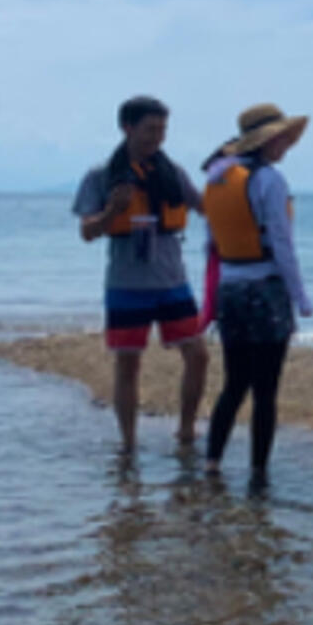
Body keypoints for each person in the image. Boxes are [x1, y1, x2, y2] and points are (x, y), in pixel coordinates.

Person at [72, 96, 211, 454]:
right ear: (127, 128)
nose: (157, 138)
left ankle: (185, 429)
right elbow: (87, 232)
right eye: (150, 129)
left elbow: (205, 207)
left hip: (172, 281)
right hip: (126, 284)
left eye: (163, 130)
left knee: (198, 354)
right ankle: (129, 443)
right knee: (128, 363)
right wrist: (110, 212)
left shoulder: (173, 172)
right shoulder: (101, 176)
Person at [201, 103, 313, 491]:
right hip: (265, 290)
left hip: (230, 291)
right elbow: (282, 245)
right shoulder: (270, 181)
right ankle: (259, 473)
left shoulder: (216, 177)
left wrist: (210, 299)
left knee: (234, 384)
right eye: (281, 137)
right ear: (268, 140)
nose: (286, 144)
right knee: (265, 390)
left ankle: (212, 463)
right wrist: (300, 298)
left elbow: (210, 245)